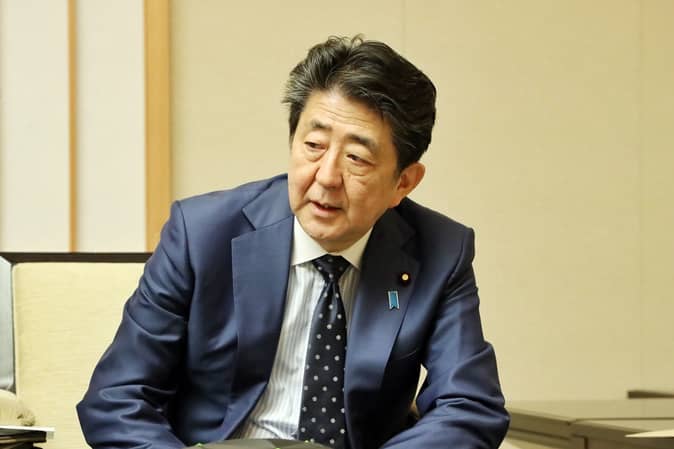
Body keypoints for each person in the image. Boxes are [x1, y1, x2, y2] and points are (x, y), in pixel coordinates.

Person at [77, 35, 509, 449]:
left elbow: (470, 405)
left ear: (404, 182)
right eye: (314, 145)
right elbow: (117, 398)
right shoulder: (202, 234)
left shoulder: (440, 251)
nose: (326, 177)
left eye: (356, 158)